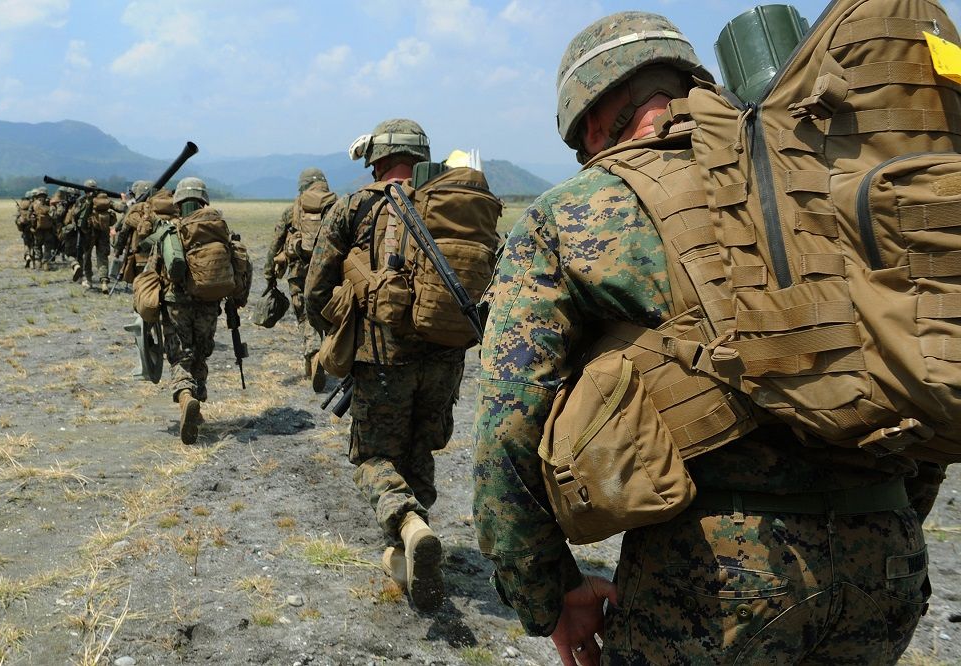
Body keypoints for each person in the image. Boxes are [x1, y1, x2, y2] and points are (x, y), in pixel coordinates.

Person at [473, 11, 935, 665]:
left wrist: (548, 593)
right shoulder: (834, 183)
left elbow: (507, 437)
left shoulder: (573, 211)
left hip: (710, 577)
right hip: (884, 562)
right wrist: (891, 516)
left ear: (598, 117)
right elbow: (924, 361)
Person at [305, 119, 463, 612]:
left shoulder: (356, 205)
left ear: (377, 158)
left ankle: (407, 523)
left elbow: (316, 285)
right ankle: (410, 554)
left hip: (382, 359)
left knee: (372, 457)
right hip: (444, 358)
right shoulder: (451, 203)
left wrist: (331, 331)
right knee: (419, 448)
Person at [164, 177, 241, 445]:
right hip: (210, 303)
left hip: (178, 304)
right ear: (203, 200)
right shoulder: (218, 229)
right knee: (200, 353)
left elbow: (155, 271)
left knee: (180, 357)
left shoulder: (172, 231)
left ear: (178, 203)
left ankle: (186, 396)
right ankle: (197, 403)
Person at [264, 167, 336, 391]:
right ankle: (329, 355)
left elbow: (275, 242)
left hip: (299, 271)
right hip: (329, 270)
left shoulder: (293, 210)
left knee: (305, 317)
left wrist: (269, 275)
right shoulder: (337, 204)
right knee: (330, 313)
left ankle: (313, 356)